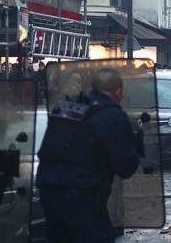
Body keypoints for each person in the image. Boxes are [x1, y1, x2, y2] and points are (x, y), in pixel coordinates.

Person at [36, 68, 140, 243]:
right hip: (83, 197)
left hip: (49, 194)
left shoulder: (67, 108)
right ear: (119, 90)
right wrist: (135, 144)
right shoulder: (112, 115)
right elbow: (125, 168)